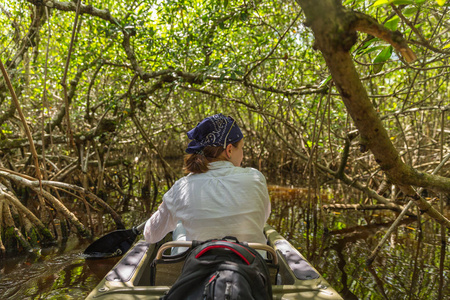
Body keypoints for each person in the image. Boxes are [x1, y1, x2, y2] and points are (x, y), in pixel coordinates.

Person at [143, 113, 271, 248]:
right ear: (229, 150)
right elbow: (263, 218)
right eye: (242, 148)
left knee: (180, 227)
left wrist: (161, 212)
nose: (243, 154)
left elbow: (150, 235)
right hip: (252, 265)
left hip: (200, 265)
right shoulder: (256, 178)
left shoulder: (182, 187)